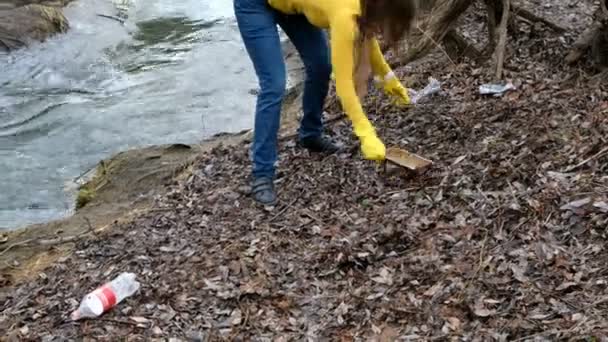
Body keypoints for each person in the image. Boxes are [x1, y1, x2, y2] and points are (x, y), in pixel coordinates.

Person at [234, 0, 416, 205]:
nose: (383, 32)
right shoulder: (346, 15)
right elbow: (344, 84)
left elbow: (368, 41)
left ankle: (310, 134)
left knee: (321, 66)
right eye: (388, 25)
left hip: (293, 7)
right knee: (274, 84)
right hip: (255, 5)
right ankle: (262, 173)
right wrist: (366, 133)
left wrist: (391, 81)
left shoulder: (365, 8)